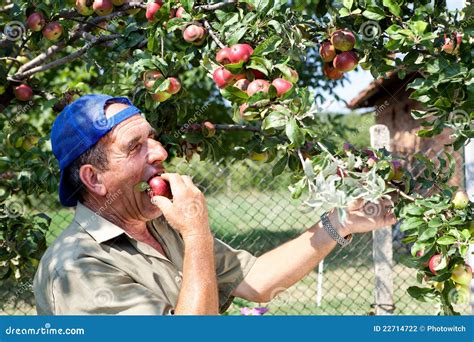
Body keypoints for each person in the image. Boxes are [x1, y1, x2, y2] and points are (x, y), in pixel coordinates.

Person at [33, 94, 397, 315]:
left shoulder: (158, 222)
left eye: (153, 139)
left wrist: (340, 221)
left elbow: (254, 282)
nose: (160, 153)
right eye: (134, 147)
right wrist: (196, 235)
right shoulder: (76, 268)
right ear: (94, 179)